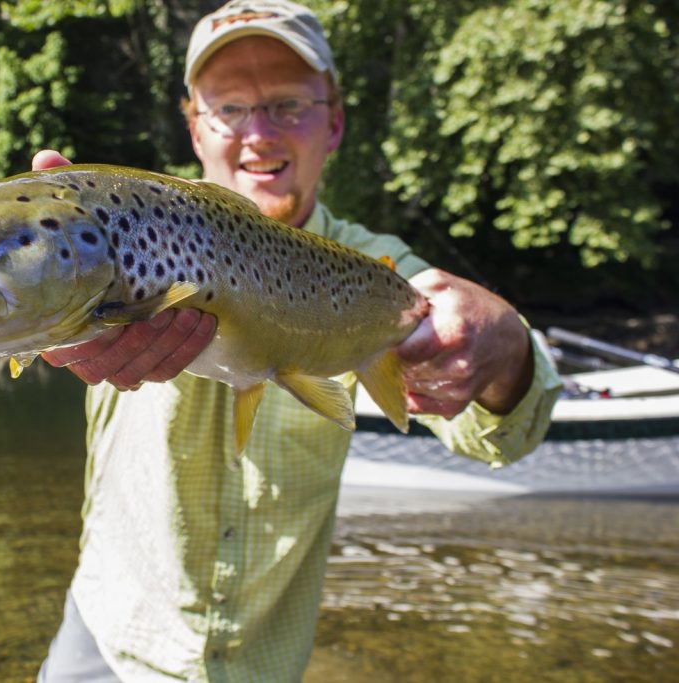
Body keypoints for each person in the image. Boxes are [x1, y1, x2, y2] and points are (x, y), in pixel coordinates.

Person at [35, 1, 562, 681]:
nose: (257, 134)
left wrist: (506, 344)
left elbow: (509, 437)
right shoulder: (126, 229)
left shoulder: (379, 276)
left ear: (334, 122)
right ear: (196, 128)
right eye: (228, 108)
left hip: (263, 663)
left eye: (288, 105)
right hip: (111, 640)